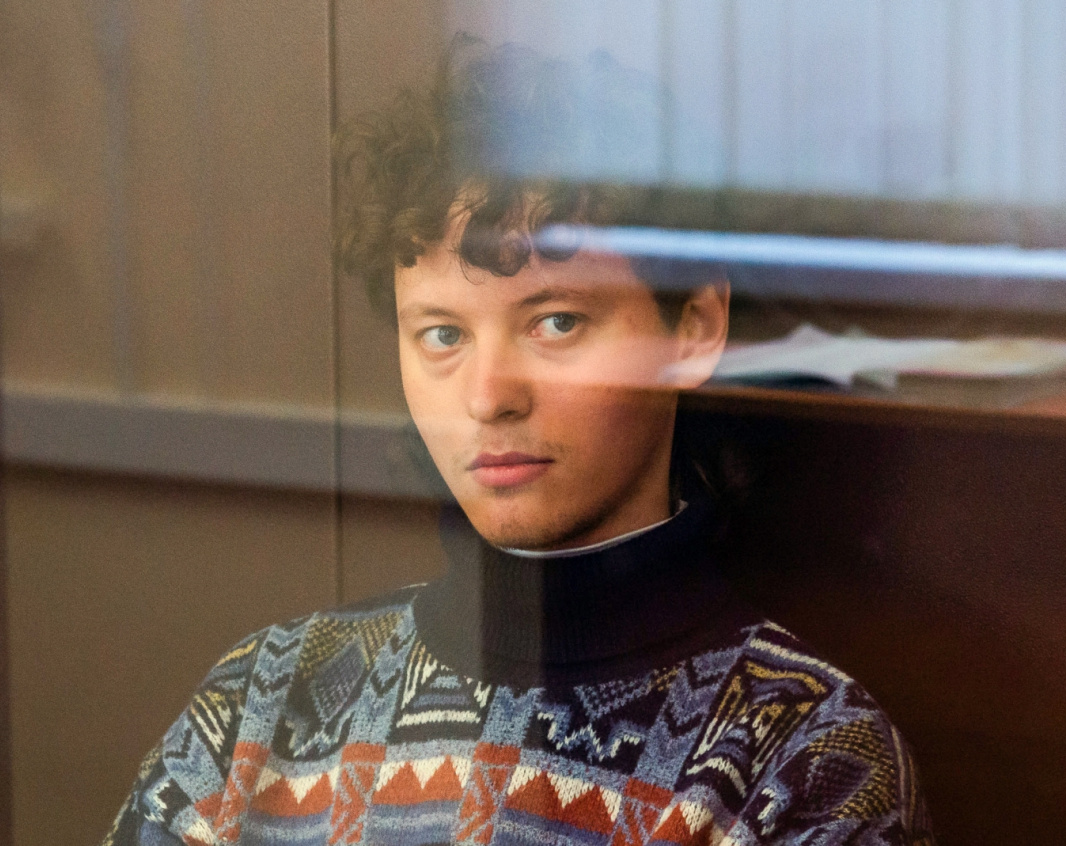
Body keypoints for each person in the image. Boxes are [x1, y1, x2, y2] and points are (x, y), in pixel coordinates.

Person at [103, 39, 934, 846]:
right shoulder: (257, 704)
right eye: (441, 335)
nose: (487, 396)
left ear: (693, 328)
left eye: (556, 322)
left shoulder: (803, 759)